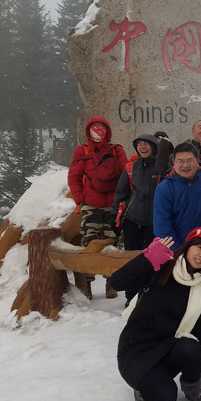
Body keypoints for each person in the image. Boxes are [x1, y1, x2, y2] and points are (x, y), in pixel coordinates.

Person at [110, 229, 201, 401]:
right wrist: (146, 260)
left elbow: (196, 326)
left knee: (191, 347)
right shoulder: (161, 264)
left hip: (166, 347)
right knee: (165, 400)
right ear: (188, 245)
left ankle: (192, 387)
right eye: (200, 247)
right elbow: (117, 282)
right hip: (136, 348)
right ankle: (143, 384)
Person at [68, 116, 128, 299]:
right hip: (91, 205)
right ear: (88, 131)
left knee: (113, 242)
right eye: (94, 128)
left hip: (112, 205)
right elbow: (75, 177)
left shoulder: (117, 150)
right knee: (89, 243)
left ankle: (112, 283)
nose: (97, 132)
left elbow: (125, 173)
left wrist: (122, 199)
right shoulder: (82, 150)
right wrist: (80, 200)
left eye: (101, 128)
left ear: (107, 130)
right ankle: (87, 284)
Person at [112, 134, 161, 303]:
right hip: (133, 221)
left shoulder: (161, 167)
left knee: (151, 260)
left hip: (154, 223)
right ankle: (131, 296)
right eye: (139, 144)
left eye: (146, 144)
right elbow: (121, 193)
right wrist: (115, 217)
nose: (142, 147)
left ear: (154, 147)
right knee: (131, 259)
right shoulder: (131, 167)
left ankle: (147, 295)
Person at [153, 143, 201, 248]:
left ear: (197, 161)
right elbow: (162, 227)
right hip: (176, 249)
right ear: (174, 162)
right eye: (180, 161)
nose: (185, 165)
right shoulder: (164, 188)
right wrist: (179, 252)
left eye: (190, 160)